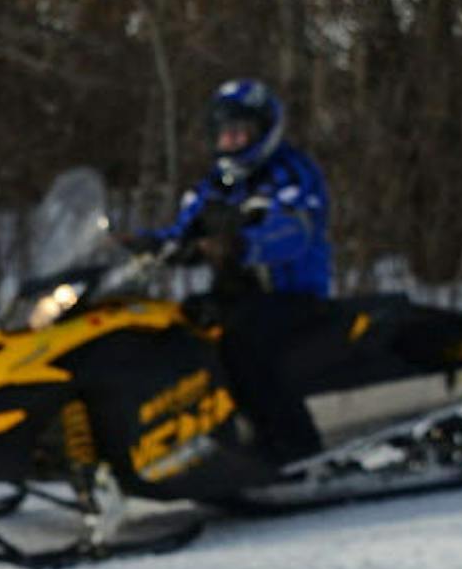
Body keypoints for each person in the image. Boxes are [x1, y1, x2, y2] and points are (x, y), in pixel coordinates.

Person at [128, 78, 331, 460]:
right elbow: (183, 229)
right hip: (237, 295)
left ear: (263, 131)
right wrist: (143, 244)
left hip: (290, 294)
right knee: (175, 331)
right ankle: (185, 441)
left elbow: (293, 229)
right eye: (223, 133)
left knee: (242, 343)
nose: (230, 141)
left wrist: (241, 244)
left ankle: (295, 448)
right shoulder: (216, 184)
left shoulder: (290, 173)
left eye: (239, 132)